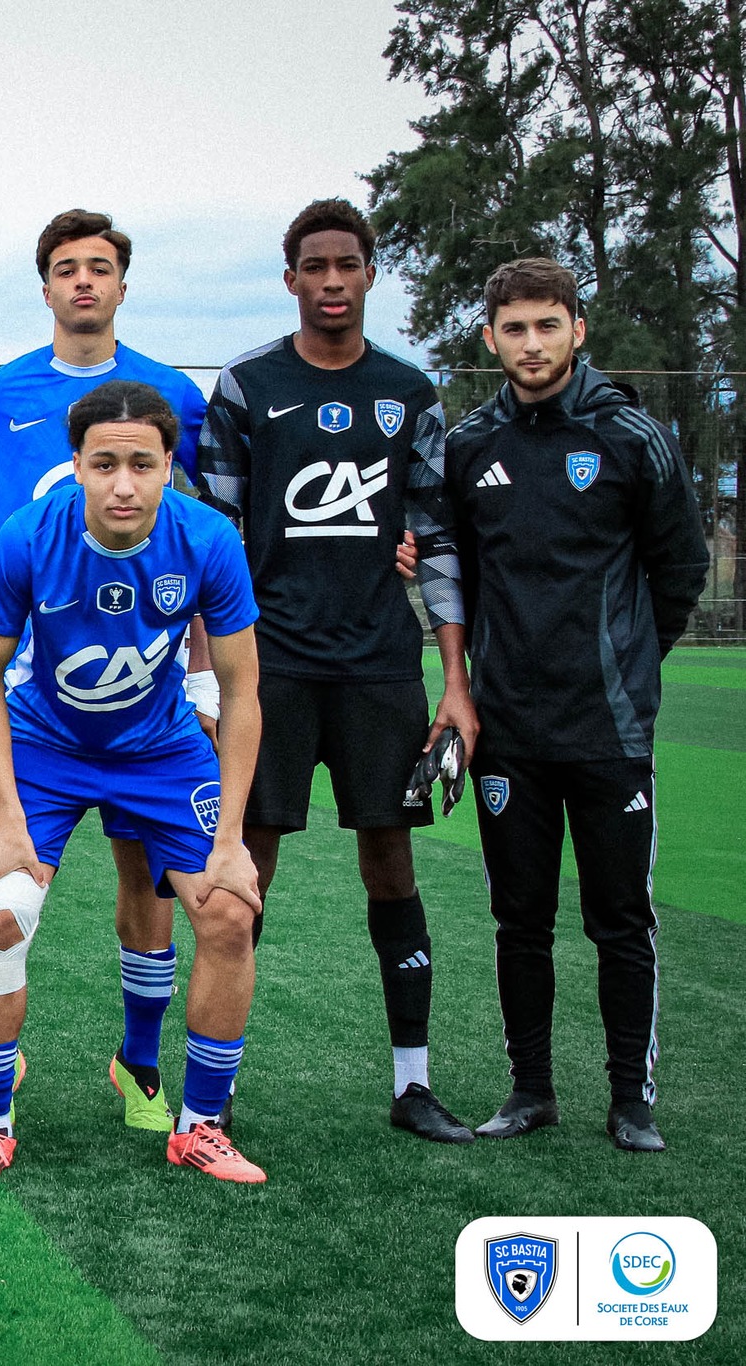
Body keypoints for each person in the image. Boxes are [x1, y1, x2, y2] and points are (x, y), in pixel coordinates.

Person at [195, 198, 476, 1143]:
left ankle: (413, 1085)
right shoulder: (246, 387)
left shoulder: (411, 392)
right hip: (268, 670)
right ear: (290, 279)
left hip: (379, 670)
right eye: (312, 267)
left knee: (390, 864)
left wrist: (453, 681)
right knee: (247, 871)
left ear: (368, 274)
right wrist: (205, 673)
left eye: (345, 266)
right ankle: (215, 1087)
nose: (329, 282)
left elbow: (434, 539)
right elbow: (207, 538)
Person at [0, 210, 217, 1133]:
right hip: (31, 683)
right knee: (5, 889)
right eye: (67, 268)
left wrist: (206, 683)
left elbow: (205, 549)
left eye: (101, 268)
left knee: (150, 885)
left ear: (123, 285)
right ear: (46, 285)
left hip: (146, 689)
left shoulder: (174, 390)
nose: (84, 282)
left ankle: (139, 1067)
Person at [0, 380, 267, 1184]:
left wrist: (230, 840)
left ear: (169, 468)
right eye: (104, 465)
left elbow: (243, 692)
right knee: (4, 914)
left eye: (141, 464)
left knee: (229, 914)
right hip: (44, 746)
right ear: (78, 467)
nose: (123, 484)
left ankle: (200, 1126)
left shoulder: (209, 541)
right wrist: (9, 821)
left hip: (160, 751)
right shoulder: (29, 536)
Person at [444, 257, 708, 1151]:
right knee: (519, 920)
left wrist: (632, 662)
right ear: (491, 339)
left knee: (619, 918)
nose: (530, 344)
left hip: (608, 727)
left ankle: (631, 1098)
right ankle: (530, 1091)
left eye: (546, 325)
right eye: (513, 328)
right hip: (509, 728)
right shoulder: (472, 443)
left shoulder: (633, 436)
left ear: (577, 330)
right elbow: (460, 575)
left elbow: (681, 570)